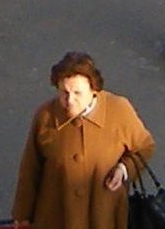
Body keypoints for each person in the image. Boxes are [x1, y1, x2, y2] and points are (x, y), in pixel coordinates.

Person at [12, 52, 157, 229]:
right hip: (56, 217)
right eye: (64, 92)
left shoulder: (119, 110)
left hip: (104, 216)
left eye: (77, 93)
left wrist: (124, 168)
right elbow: (30, 169)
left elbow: (144, 146)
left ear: (94, 90)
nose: (70, 101)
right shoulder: (45, 116)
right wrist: (22, 216)